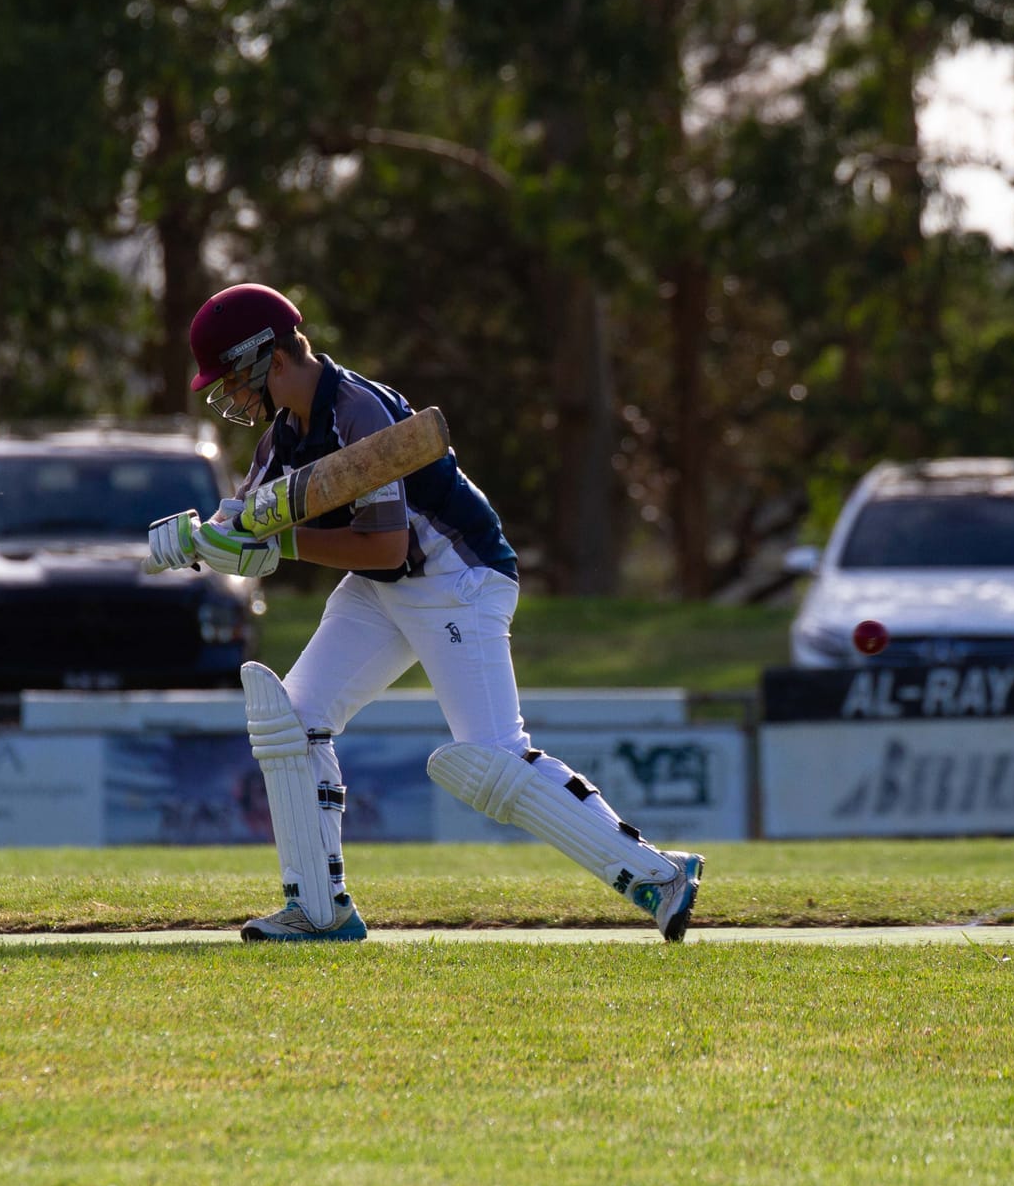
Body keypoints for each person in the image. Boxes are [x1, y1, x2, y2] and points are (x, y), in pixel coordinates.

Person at [146, 283, 703, 942]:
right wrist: (199, 538)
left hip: (455, 574)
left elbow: (385, 546)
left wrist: (282, 541)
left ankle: (660, 875)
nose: (232, 396)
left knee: (492, 758)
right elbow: (245, 524)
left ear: (268, 359)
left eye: (234, 378)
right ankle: (320, 912)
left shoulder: (361, 412)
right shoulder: (283, 438)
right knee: (289, 724)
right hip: (385, 584)